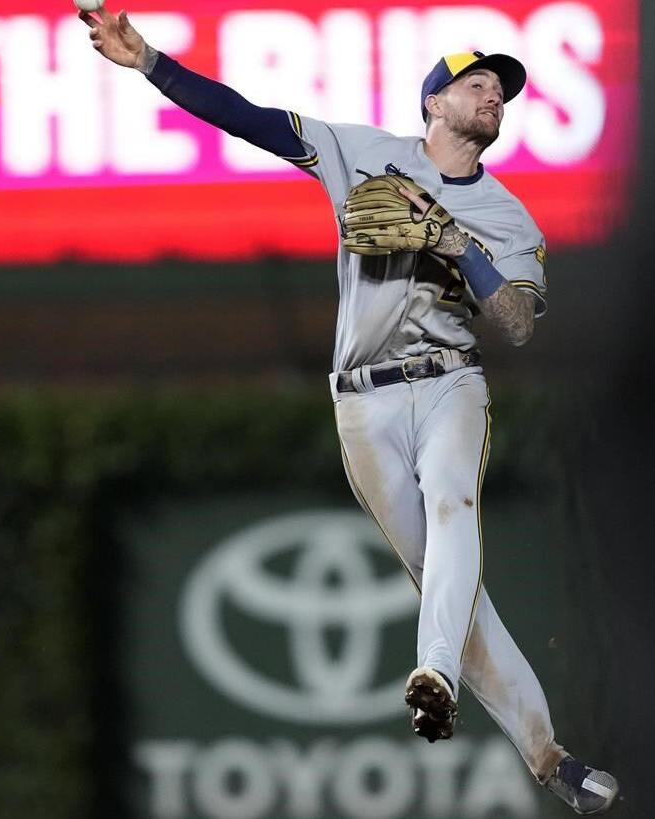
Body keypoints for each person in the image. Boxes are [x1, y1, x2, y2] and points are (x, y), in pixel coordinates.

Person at [79, 8, 619, 814]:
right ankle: (549, 758)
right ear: (433, 101)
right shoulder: (363, 152)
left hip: (448, 383)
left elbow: (513, 323)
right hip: (360, 398)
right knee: (448, 585)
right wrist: (151, 61)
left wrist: (452, 243)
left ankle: (431, 672)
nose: (492, 98)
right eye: (475, 85)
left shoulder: (507, 217)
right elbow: (249, 119)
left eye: (500, 92)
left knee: (453, 507)